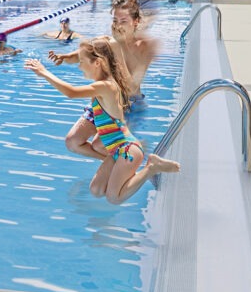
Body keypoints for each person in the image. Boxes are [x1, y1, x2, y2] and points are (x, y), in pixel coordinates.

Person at [27, 42, 181, 202]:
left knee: (114, 198)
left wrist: (44, 72)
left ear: (97, 63)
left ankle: (151, 167)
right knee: (96, 190)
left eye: (82, 62)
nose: (80, 67)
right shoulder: (103, 85)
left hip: (127, 149)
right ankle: (130, 172)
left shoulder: (106, 86)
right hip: (115, 152)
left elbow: (71, 92)